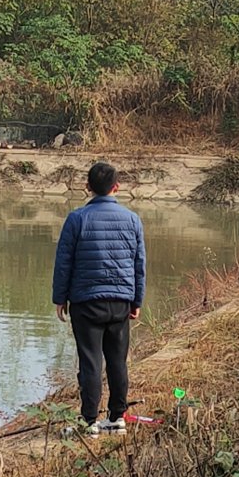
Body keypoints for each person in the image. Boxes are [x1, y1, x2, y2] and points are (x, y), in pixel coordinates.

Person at [52, 161, 146, 436]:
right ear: (117, 187)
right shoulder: (132, 219)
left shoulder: (76, 219)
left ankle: (89, 422)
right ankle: (117, 418)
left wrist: (60, 298)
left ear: (87, 187)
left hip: (86, 302)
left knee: (90, 362)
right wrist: (136, 301)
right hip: (120, 302)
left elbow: (64, 262)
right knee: (117, 361)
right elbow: (139, 264)